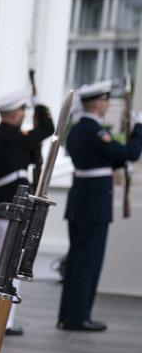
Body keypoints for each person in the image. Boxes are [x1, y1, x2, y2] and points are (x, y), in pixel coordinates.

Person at [58, 80, 142, 332]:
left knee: (77, 261)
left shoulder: (76, 130)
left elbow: (101, 158)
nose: (107, 104)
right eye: (105, 100)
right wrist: (138, 128)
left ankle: (69, 314)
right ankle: (77, 317)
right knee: (88, 262)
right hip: (93, 204)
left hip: (81, 201)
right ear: (97, 103)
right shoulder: (94, 131)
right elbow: (130, 152)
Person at [0, 91, 54, 336]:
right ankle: (1, 320)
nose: (24, 115)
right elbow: (48, 129)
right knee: (7, 266)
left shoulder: (3, 138)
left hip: (4, 210)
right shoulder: (8, 137)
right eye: (22, 110)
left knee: (2, 264)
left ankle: (0, 318)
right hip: (8, 212)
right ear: (14, 113)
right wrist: (41, 105)